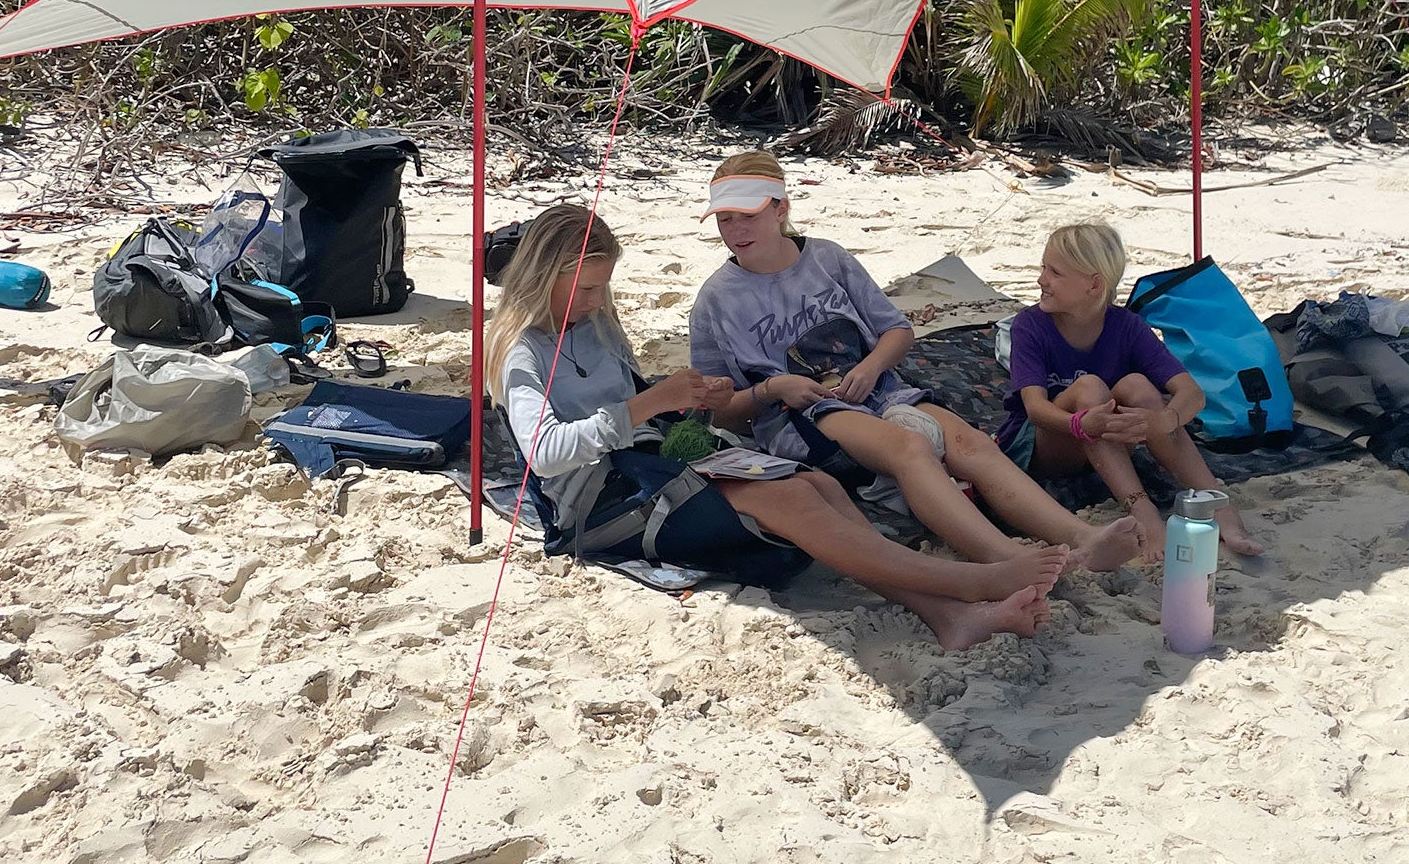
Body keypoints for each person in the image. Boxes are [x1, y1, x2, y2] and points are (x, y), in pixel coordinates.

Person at [487, 203, 1065, 651]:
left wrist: (685, 398)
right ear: (544, 277)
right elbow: (546, 452)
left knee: (821, 486)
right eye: (587, 288)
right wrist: (643, 408)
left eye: (602, 286)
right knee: (787, 497)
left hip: (649, 465)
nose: (597, 299)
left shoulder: (594, 325)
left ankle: (950, 617)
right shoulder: (522, 354)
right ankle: (962, 584)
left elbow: (628, 403)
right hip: (601, 506)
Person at [687, 152, 1141, 573]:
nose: (735, 230)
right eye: (724, 219)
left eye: (747, 216)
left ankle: (1083, 538)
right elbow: (719, 409)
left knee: (971, 443)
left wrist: (870, 367)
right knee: (910, 448)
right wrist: (772, 389)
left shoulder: (827, 259)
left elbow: (897, 331)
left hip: (877, 387)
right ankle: (1003, 558)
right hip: (801, 414)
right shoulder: (715, 301)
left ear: (781, 209)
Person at [997, 222, 1263, 562]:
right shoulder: (1030, 325)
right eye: (1043, 268)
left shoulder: (1125, 325)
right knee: (1091, 387)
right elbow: (1035, 410)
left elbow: (1191, 394)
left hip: (1103, 435)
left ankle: (1215, 501)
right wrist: (1081, 425)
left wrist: (1165, 420)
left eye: (1055, 272)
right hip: (1045, 442)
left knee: (1138, 385)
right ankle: (1143, 511)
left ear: (1094, 285)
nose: (1041, 280)